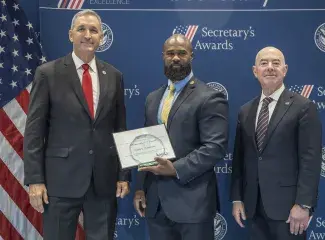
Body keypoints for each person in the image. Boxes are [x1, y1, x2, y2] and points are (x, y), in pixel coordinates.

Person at [23, 9, 130, 240]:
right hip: (59, 182)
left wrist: (123, 174)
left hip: (103, 182)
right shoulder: (47, 74)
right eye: (81, 28)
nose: (87, 35)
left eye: (94, 30)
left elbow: (120, 128)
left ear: (101, 37)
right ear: (71, 34)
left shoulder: (114, 76)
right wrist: (35, 180)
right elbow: (34, 131)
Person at [133, 34, 229, 240]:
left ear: (191, 56)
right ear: (163, 57)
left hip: (193, 205)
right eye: (170, 53)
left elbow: (215, 147)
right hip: (156, 204)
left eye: (181, 53)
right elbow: (146, 146)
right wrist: (141, 188)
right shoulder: (152, 98)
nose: (175, 57)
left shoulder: (210, 97)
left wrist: (176, 168)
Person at [230, 46, 322, 240]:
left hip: (289, 210)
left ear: (285, 70)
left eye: (276, 63)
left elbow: (310, 161)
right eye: (264, 63)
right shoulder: (245, 111)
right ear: (255, 71)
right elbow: (239, 159)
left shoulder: (304, 107)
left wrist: (303, 205)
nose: (270, 67)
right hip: (253, 207)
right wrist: (237, 198)